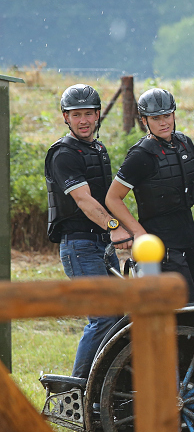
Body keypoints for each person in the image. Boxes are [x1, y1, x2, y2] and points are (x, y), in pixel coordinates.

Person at [105, 88, 194, 303]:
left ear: (174, 114)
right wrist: (139, 232)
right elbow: (112, 198)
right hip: (159, 243)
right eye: (156, 118)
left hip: (187, 235)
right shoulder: (141, 155)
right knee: (183, 309)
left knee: (190, 307)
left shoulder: (184, 143)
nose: (163, 122)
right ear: (144, 120)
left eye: (167, 115)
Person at [44, 84, 133, 379]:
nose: (83, 120)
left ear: (97, 116)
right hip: (79, 247)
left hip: (101, 247)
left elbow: (108, 198)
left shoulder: (98, 149)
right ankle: (76, 390)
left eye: (88, 114)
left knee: (118, 316)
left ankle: (105, 386)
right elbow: (84, 201)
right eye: (76, 115)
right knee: (104, 316)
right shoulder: (63, 154)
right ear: (66, 118)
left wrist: (129, 229)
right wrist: (115, 227)